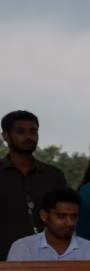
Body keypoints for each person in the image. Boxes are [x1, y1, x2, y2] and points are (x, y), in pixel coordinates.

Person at [1, 110, 68, 261]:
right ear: (5, 136)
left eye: (33, 131)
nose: (28, 137)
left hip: (47, 260)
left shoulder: (53, 175)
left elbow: (66, 216)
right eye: (20, 131)